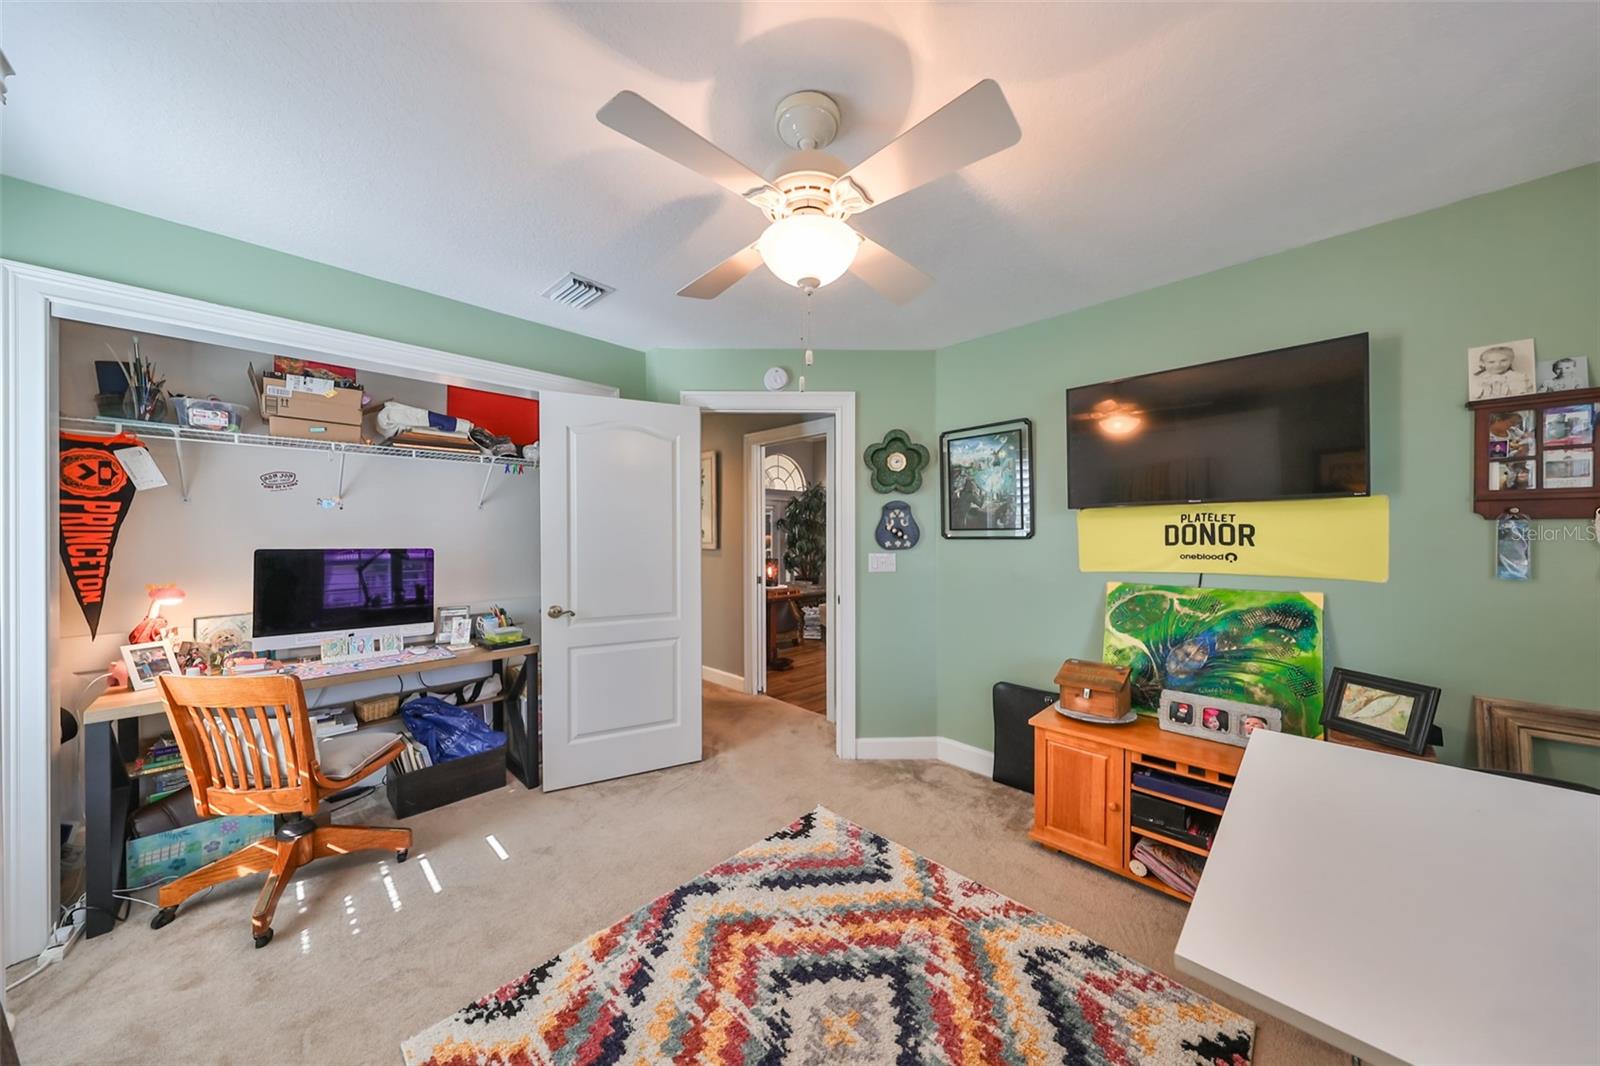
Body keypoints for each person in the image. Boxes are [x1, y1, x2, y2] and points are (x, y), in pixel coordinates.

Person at [1469, 345, 1534, 401]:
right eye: (1491, 362)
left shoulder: (1520, 378)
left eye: (1503, 360)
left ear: (1511, 360)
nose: (1498, 365)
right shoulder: (1478, 380)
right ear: (1482, 363)